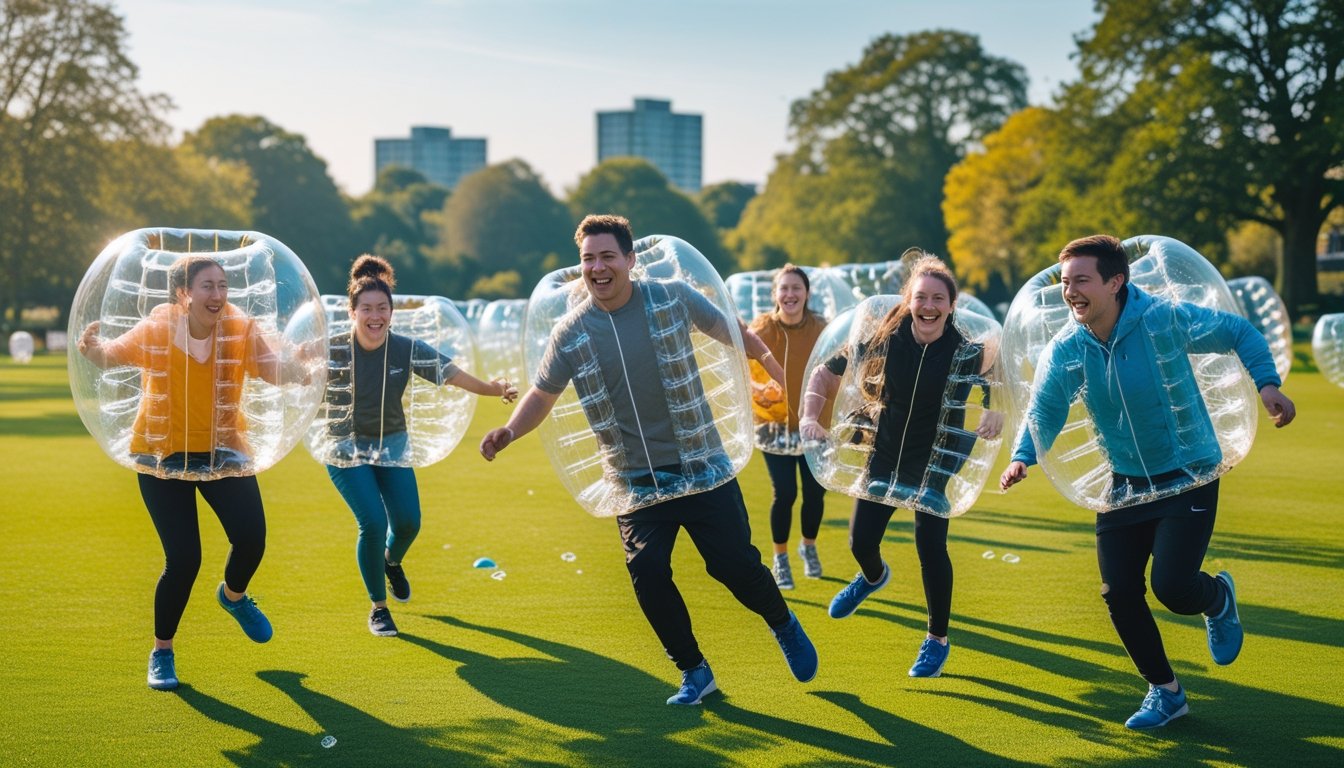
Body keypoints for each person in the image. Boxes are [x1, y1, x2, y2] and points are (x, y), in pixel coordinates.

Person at [480, 214, 818, 705]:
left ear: (630, 260)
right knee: (648, 573)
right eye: (588, 259)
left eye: (607, 256)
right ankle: (694, 670)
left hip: (701, 465)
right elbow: (542, 393)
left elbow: (730, 328)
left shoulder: (672, 296)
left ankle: (782, 622)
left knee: (733, 567)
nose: (597, 268)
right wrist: (509, 430)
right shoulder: (571, 332)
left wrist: (768, 362)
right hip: (635, 479)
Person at [999, 234, 1296, 730]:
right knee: (1118, 592)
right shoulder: (1069, 348)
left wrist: (1268, 384)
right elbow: (1046, 408)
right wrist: (1023, 456)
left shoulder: (1164, 320)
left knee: (1173, 587)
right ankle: (1166, 692)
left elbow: (1239, 332)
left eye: (1082, 280)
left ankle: (1217, 598)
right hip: (1126, 483)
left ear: (1115, 282)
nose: (1070, 291)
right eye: (1066, 282)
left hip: (1190, 473)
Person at [78, 255, 286, 691]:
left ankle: (233, 596)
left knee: (252, 538)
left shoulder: (240, 329)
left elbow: (273, 370)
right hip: (159, 455)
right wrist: (93, 349)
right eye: (207, 286)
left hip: (223, 451)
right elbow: (110, 358)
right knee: (184, 559)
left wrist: (303, 368)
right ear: (184, 294)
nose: (218, 294)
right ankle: (162, 653)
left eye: (223, 285)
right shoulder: (157, 329)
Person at [799, 252, 1003, 679]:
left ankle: (936, 640)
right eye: (921, 297)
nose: (929, 306)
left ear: (951, 305)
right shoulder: (882, 340)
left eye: (938, 299)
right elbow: (823, 373)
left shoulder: (965, 351)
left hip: (935, 461)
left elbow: (1001, 375)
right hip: (884, 454)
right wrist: (809, 417)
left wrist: (994, 408)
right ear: (910, 299)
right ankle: (873, 577)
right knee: (859, 544)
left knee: (931, 548)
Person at [326, 255, 518, 637]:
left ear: (392, 313)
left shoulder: (405, 348)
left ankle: (391, 562)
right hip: (345, 448)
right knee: (373, 522)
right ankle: (379, 608)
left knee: (409, 523)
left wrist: (493, 388)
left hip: (393, 445)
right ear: (352, 312)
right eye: (366, 309)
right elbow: (291, 373)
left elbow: (453, 375)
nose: (375, 316)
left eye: (383, 308)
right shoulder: (332, 349)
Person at [748, 265, 829, 589]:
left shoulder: (822, 328)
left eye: (796, 288)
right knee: (785, 493)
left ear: (806, 293)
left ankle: (808, 546)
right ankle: (780, 558)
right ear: (775, 294)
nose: (790, 294)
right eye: (784, 288)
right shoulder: (762, 328)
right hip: (774, 428)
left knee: (814, 493)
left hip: (814, 427)